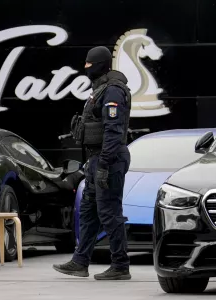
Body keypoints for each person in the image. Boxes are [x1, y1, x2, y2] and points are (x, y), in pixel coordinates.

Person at [53, 46, 132, 280]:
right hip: (95, 159)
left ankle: (120, 266)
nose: (85, 67)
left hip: (109, 159)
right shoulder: (99, 90)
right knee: (88, 210)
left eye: (89, 64)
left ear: (99, 64)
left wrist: (105, 164)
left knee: (109, 212)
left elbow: (113, 131)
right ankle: (80, 262)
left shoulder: (113, 92)